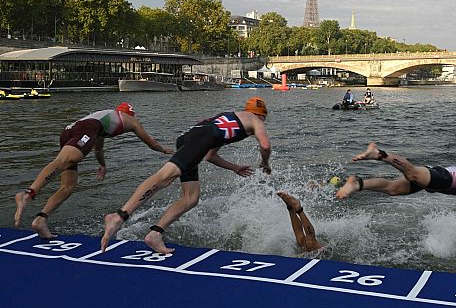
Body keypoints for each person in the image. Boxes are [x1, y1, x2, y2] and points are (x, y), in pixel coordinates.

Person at [101, 96, 272, 253]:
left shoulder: (231, 117)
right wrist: (265, 163)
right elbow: (265, 145)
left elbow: (209, 155)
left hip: (190, 137)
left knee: (191, 197)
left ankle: (155, 234)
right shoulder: (256, 120)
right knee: (164, 178)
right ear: (261, 115)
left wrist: (234, 167)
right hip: (201, 140)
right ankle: (119, 216)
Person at [13, 103, 172, 239]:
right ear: (129, 114)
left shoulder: (104, 120)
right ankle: (28, 194)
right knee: (64, 161)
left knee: (68, 186)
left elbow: (98, 149)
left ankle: (40, 220)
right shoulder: (128, 119)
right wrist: (163, 150)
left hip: (70, 131)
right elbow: (149, 141)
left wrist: (102, 165)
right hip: (85, 129)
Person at [336, 143, 456, 237]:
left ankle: (357, 184)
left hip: (435, 182)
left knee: (393, 189)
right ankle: (378, 154)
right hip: (442, 177)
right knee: (412, 173)